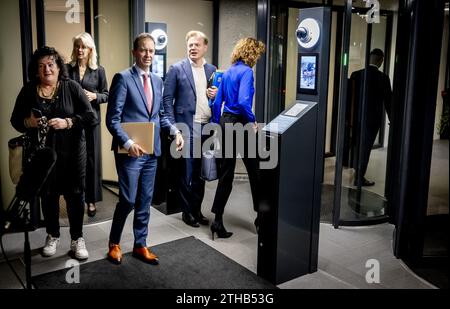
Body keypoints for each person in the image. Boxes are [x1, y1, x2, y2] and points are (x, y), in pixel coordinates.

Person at [10, 46, 96, 260]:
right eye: (41, 66)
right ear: (36, 71)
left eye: (50, 64)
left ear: (58, 67)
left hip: (73, 153)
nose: (46, 69)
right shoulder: (29, 90)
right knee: (48, 196)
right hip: (43, 156)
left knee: (75, 196)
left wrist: (68, 122)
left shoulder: (72, 87)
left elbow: (90, 117)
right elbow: (15, 120)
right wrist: (27, 122)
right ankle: (52, 235)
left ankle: (77, 238)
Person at [105, 33, 183, 265]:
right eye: (143, 50)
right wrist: (128, 144)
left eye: (151, 51)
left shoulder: (157, 80)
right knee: (128, 200)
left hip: (152, 151)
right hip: (130, 152)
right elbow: (112, 119)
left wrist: (175, 131)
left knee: (145, 200)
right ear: (134, 52)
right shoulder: (122, 78)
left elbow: (160, 115)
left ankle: (141, 244)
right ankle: (114, 243)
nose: (148, 55)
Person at [210, 37, 265, 239]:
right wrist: (252, 121)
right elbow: (243, 101)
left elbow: (217, 103)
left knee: (226, 174)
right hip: (241, 123)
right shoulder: (247, 72)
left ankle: (217, 220)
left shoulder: (227, 72)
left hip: (225, 122)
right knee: (255, 171)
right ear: (251, 53)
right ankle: (261, 218)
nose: (257, 59)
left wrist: (219, 123)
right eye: (257, 54)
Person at [163, 30, 217, 227]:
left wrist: (215, 95)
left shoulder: (212, 70)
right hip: (186, 126)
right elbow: (167, 100)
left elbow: (218, 99)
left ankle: (197, 209)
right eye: (190, 44)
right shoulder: (176, 69)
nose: (192, 47)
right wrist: (174, 128)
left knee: (201, 172)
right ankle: (187, 212)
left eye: (196, 44)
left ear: (205, 47)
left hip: (207, 126)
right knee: (187, 171)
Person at [67, 32, 109, 217]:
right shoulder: (67, 69)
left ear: (90, 49)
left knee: (91, 162)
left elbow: (107, 94)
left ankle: (91, 200)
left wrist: (95, 96)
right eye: (77, 46)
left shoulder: (99, 70)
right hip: (72, 121)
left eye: (83, 46)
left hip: (92, 121)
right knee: (73, 160)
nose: (80, 50)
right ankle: (75, 199)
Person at [349, 48, 392, 186]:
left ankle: (356, 171)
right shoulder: (383, 78)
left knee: (356, 145)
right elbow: (389, 102)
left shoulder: (356, 75)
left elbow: (349, 98)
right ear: (380, 61)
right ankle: (359, 177)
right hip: (372, 121)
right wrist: (392, 119)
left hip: (355, 118)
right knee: (365, 148)